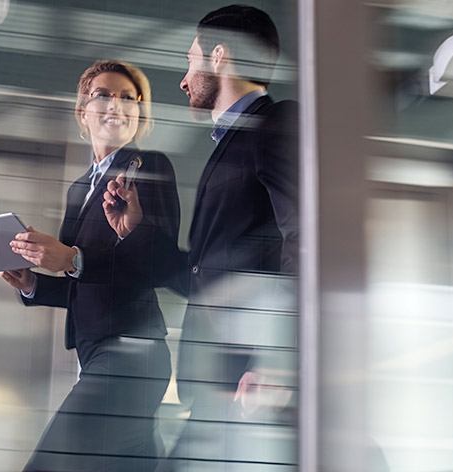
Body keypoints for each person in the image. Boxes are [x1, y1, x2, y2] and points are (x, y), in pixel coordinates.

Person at [102, 5, 299, 469]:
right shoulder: (234, 142)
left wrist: (278, 360)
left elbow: (306, 239)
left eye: (191, 61)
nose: (184, 79)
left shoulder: (275, 125)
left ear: (219, 57)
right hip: (222, 378)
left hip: (251, 378)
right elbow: (205, 277)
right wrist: (136, 232)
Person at [0, 59, 180, 472]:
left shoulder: (148, 168)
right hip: (94, 353)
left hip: (132, 353)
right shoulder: (80, 188)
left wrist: (71, 258)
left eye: (128, 98)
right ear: (83, 111)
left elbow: (155, 263)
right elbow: (86, 283)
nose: (116, 104)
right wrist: (33, 284)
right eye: (103, 94)